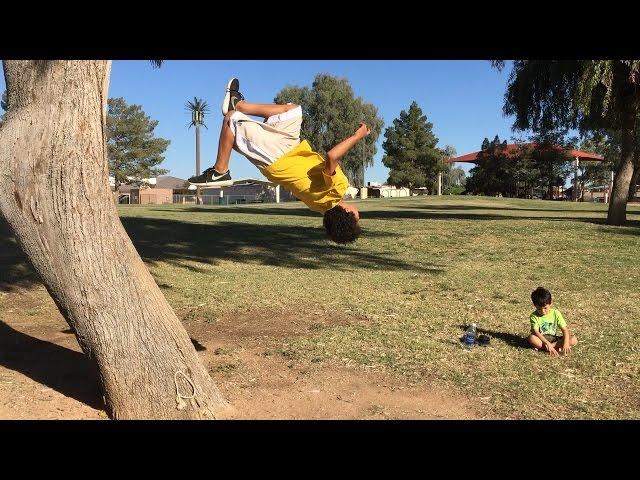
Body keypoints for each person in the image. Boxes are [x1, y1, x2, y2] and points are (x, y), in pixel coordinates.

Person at [188, 78, 367, 244]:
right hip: (293, 148)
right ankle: (239, 104)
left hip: (279, 157)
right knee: (293, 111)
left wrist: (357, 136)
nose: (359, 215)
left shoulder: (336, 191)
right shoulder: (320, 208)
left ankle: (220, 172)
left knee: (231, 120)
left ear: (348, 212)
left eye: (358, 218)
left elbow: (332, 156)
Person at [527, 286, 578, 356]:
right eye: (539, 309)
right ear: (534, 305)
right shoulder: (534, 316)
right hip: (541, 339)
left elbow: (565, 329)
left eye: (545, 308)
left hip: (554, 339)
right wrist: (547, 343)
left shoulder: (556, 313)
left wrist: (566, 343)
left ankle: (548, 347)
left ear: (550, 303)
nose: (543, 311)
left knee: (573, 339)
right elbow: (536, 332)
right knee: (531, 338)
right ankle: (554, 347)